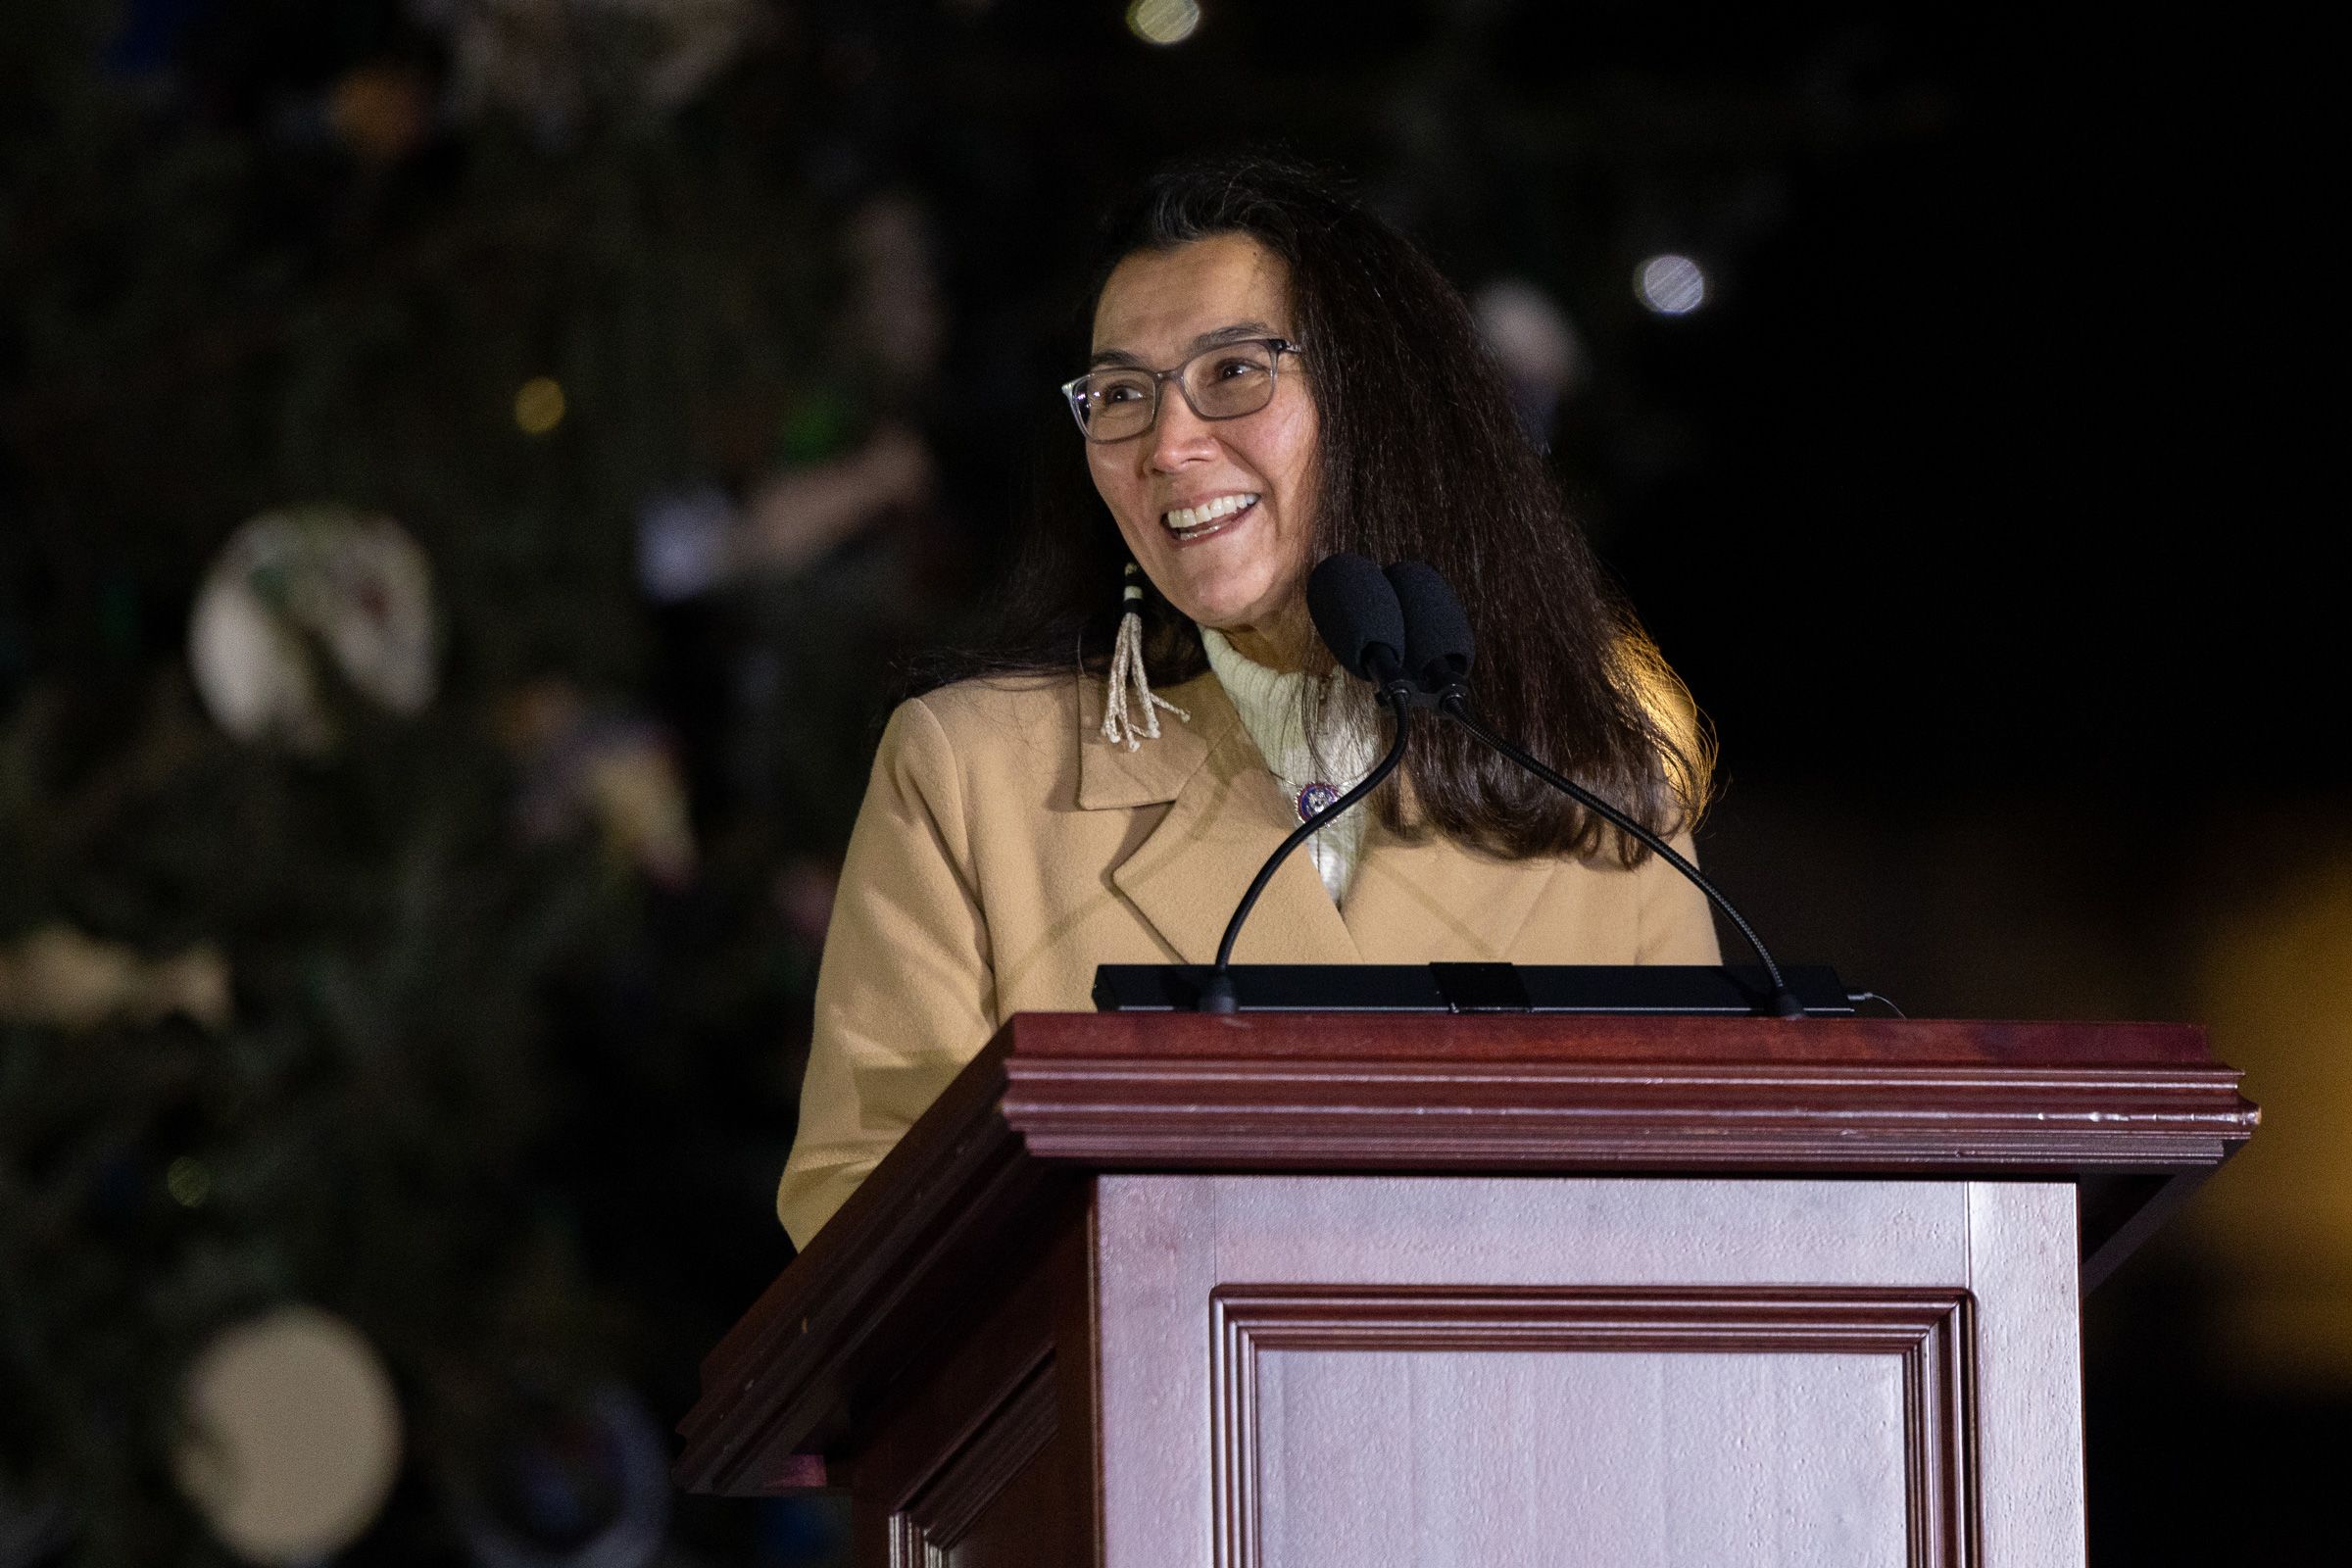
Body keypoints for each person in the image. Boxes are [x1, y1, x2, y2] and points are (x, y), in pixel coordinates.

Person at [774, 158, 1719, 1248]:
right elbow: (865, 1211)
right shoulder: (971, 773)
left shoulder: (1601, 793)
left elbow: (1695, 1216)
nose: (1167, 445)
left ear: (1375, 404)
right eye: (1120, 395)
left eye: (1232, 373)